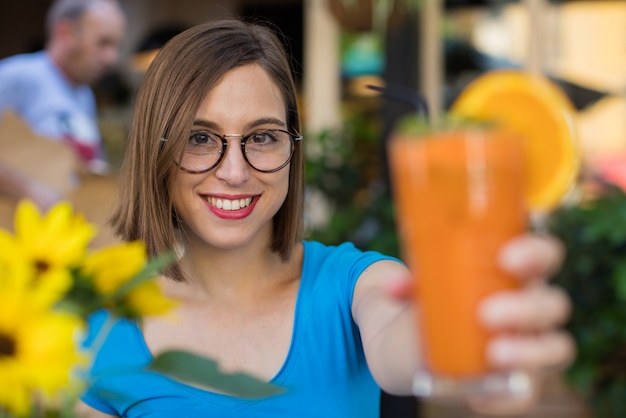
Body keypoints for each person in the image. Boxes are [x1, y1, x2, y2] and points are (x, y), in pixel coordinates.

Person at [77, 19, 574, 417]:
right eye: (200, 137)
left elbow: (407, 337)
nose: (234, 171)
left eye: (263, 136)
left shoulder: (358, 285)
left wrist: (473, 334)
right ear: (154, 151)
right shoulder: (97, 328)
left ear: (293, 150)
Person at [0, 0, 126, 207]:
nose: (111, 58)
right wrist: (27, 191)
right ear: (65, 33)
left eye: (115, 45)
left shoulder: (85, 94)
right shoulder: (16, 77)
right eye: (103, 42)